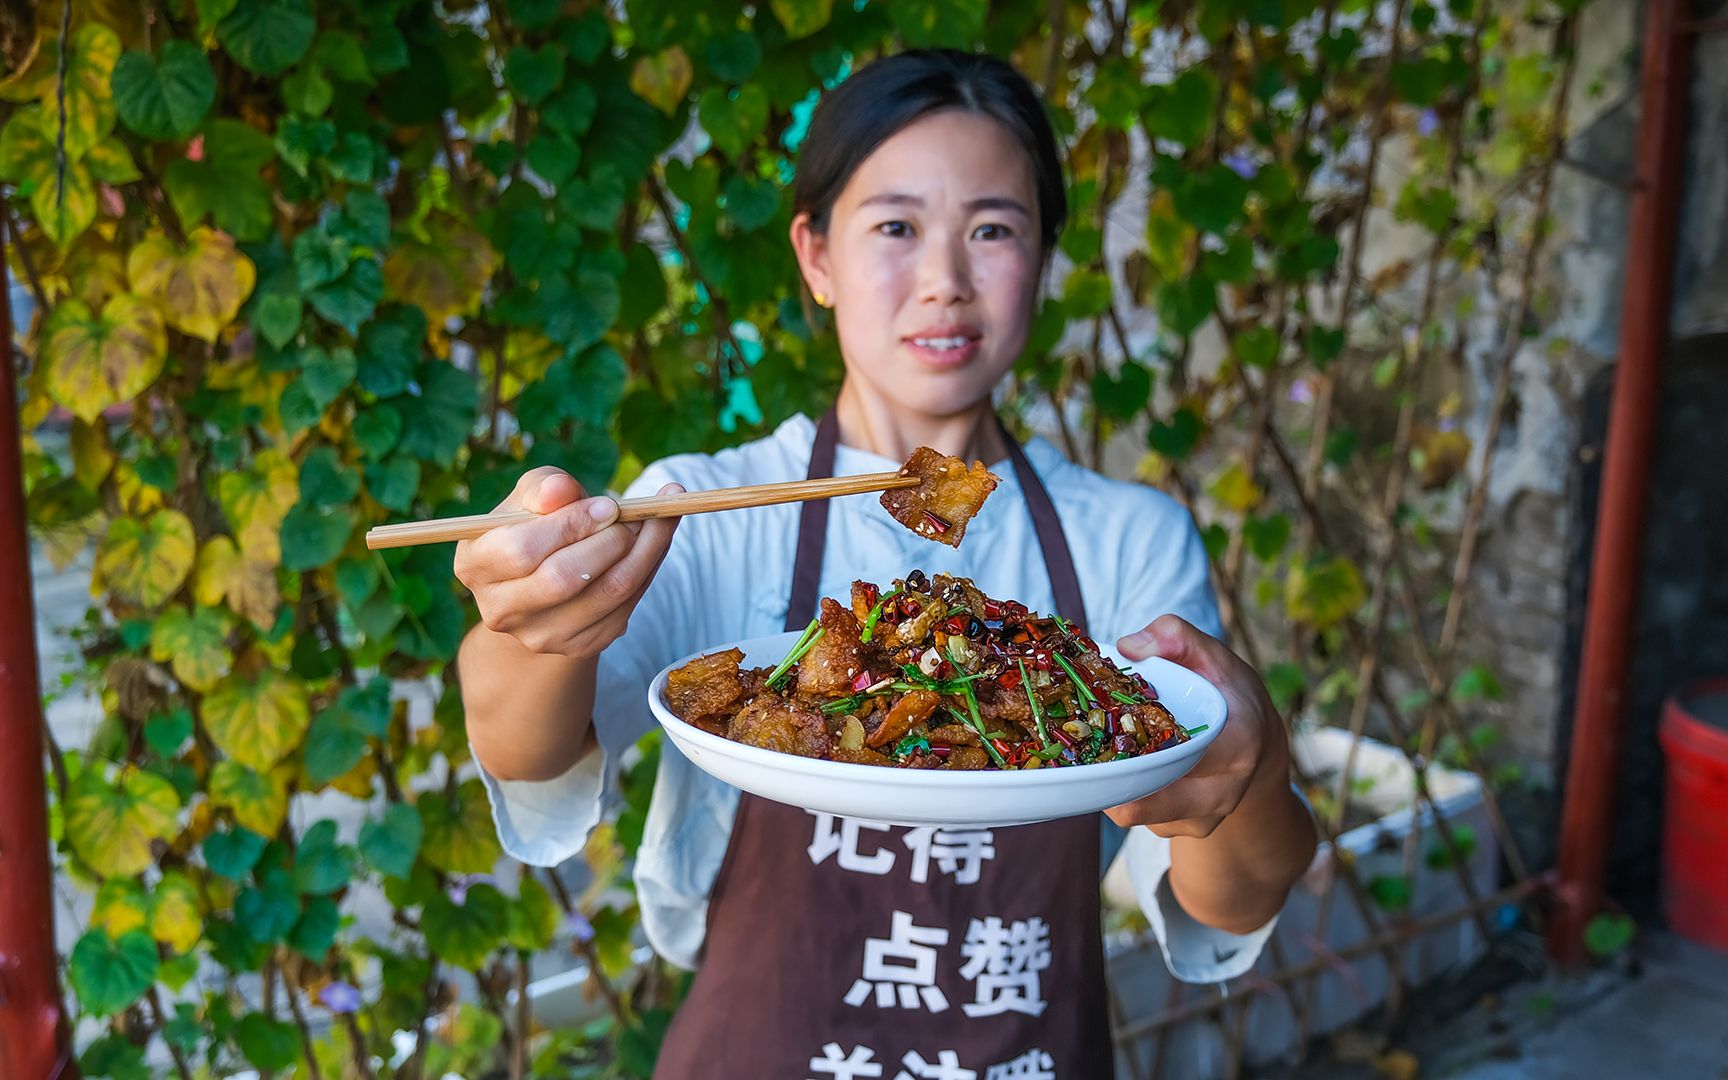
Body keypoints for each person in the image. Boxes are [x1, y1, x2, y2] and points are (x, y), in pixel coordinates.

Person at [457, 48, 1317, 1080]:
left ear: (1044, 257)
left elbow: (1230, 894)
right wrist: (530, 625)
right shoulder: (705, 506)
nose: (946, 282)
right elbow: (525, 751)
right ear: (815, 255)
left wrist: (1248, 768)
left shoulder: (1128, 537)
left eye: (994, 229)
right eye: (897, 228)